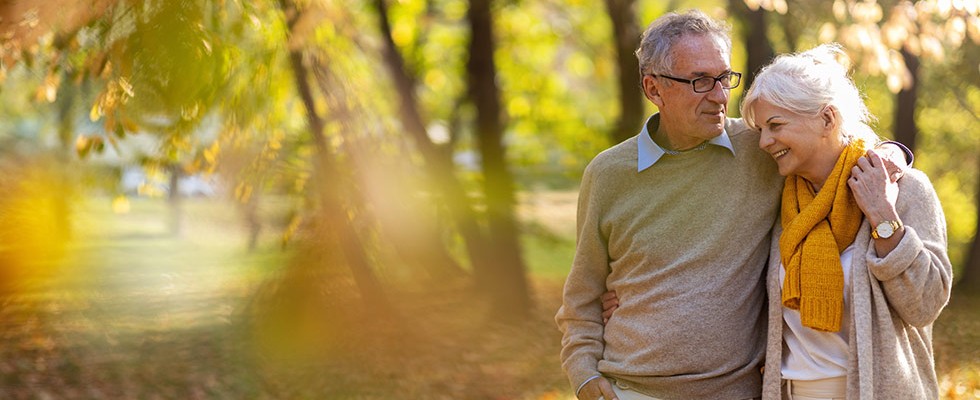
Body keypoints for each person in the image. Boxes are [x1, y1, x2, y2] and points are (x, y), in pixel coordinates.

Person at [555, 10, 911, 400]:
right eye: (701, 81)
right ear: (653, 89)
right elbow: (583, 297)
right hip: (630, 389)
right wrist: (584, 375)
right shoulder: (608, 174)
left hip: (737, 392)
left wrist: (891, 151)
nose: (721, 95)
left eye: (724, 78)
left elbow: (831, 144)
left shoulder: (761, 149)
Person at [739, 44, 952, 399]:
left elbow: (925, 306)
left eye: (775, 125)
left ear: (827, 119)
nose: (764, 141)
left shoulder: (904, 190)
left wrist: (883, 216)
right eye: (761, 129)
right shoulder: (778, 200)